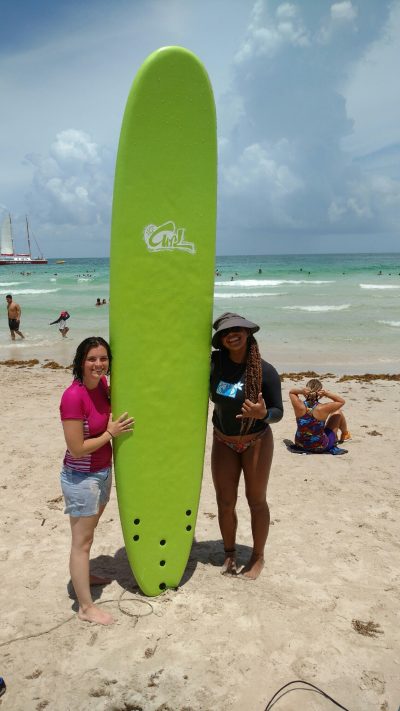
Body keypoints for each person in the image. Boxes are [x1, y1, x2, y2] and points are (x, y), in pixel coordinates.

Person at [60, 337, 134, 625]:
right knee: (82, 542)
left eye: (103, 359)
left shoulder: (102, 387)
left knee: (87, 538)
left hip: (102, 473)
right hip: (81, 477)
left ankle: (85, 576)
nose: (98, 364)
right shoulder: (72, 396)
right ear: (80, 361)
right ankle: (86, 608)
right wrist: (111, 434)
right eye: (92, 359)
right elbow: (76, 447)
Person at [210, 312, 283, 579]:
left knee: (256, 501)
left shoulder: (266, 371)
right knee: (225, 502)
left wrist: (262, 414)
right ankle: (230, 553)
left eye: (239, 329)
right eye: (227, 331)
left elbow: (278, 412)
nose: (233, 334)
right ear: (221, 339)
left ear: (248, 333)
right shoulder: (214, 364)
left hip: (256, 441)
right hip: (223, 440)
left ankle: (257, 556)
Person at [289, 378, 351, 452]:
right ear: (319, 392)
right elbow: (341, 401)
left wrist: (301, 391)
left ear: (306, 391)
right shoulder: (322, 408)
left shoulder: (299, 405)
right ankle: (345, 434)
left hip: (300, 445)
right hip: (320, 447)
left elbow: (291, 392)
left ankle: (344, 434)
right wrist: (326, 394)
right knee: (338, 412)